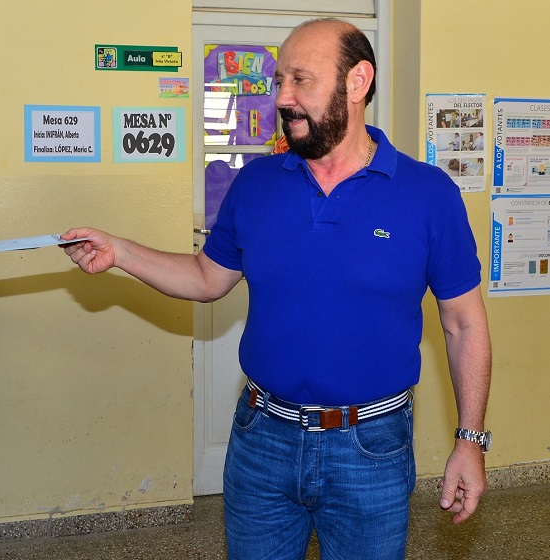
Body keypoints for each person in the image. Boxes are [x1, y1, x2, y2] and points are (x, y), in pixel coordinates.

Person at [60, 18, 491, 560]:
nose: (283, 98)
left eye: (301, 80)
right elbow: (205, 277)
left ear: (358, 82)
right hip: (262, 438)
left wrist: (470, 441)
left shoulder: (429, 195)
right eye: (279, 81)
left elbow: (464, 323)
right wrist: (120, 252)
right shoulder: (256, 184)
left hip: (372, 448)